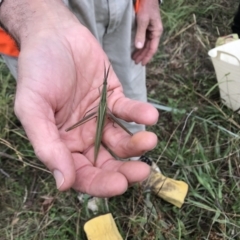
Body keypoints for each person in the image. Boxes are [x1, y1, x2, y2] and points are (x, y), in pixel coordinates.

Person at [0, 0, 163, 197]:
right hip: (30, 26)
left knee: (130, 100)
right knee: (70, 121)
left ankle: (136, 156)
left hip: (126, 8)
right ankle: (88, 190)